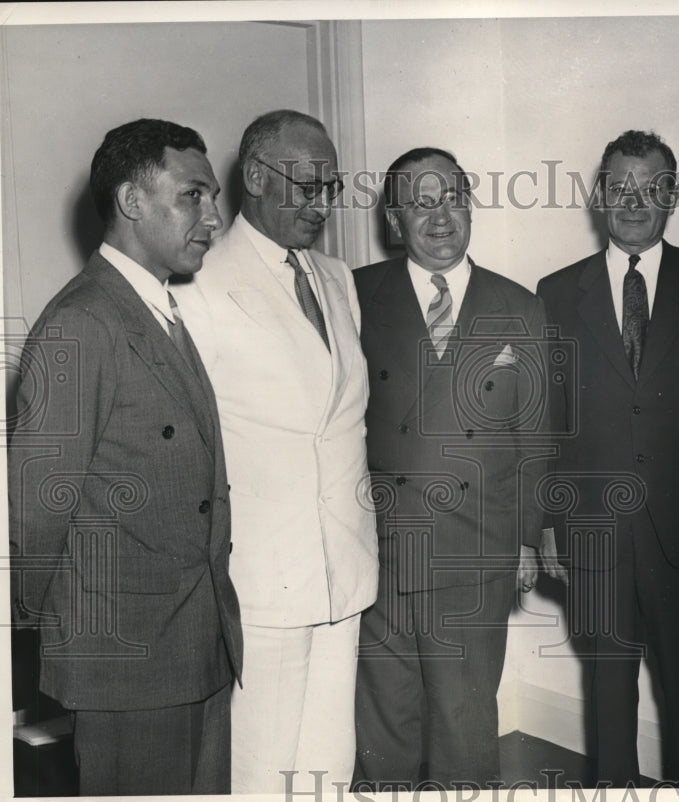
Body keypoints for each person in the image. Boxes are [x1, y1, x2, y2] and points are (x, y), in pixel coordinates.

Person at [7, 119, 241, 795]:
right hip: (127, 659)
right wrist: (57, 632)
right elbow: (36, 512)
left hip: (198, 639)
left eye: (212, 197)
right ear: (132, 201)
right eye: (194, 195)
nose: (214, 217)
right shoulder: (82, 323)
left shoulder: (159, 309)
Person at [173, 110, 378, 792]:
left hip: (342, 565)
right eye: (307, 186)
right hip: (259, 577)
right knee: (262, 764)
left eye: (331, 187)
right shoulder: (195, 287)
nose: (322, 205)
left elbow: (343, 423)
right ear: (255, 177)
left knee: (328, 758)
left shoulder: (337, 278)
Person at [535, 130, 679, 787]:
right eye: (619, 188)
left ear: (673, 196)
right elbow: (547, 421)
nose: (634, 202)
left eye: (651, 188)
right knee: (608, 701)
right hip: (593, 534)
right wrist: (545, 524)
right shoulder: (557, 292)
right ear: (599, 196)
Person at [352, 147, 547, 790]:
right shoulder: (354, 295)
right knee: (384, 720)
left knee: (463, 721)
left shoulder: (518, 306)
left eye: (453, 199)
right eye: (421, 202)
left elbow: (535, 437)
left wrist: (526, 538)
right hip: (378, 546)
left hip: (474, 550)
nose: (441, 217)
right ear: (393, 218)